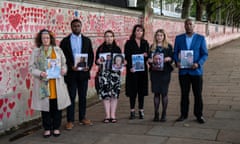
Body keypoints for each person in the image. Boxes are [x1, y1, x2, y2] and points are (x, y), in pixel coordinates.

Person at [28, 29, 71, 138]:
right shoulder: (36, 52)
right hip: (43, 84)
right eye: (43, 38)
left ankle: (56, 127)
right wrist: (40, 73)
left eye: (47, 38)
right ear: (40, 39)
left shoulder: (57, 50)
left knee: (56, 106)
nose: (45, 40)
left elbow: (64, 64)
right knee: (45, 108)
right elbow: (31, 68)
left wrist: (64, 70)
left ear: (51, 39)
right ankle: (47, 128)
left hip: (56, 83)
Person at [60, 19, 94, 130]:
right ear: (71, 27)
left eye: (78, 26)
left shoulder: (87, 40)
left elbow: (91, 55)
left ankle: (82, 117)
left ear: (81, 26)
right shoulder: (65, 41)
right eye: (74, 26)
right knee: (71, 97)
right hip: (71, 74)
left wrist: (88, 66)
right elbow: (62, 57)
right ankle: (70, 120)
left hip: (83, 74)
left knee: (83, 96)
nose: (76, 28)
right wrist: (70, 66)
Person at [173, 18, 208, 124]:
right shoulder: (179, 38)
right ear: (184, 26)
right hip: (183, 72)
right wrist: (177, 62)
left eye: (190, 24)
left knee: (197, 94)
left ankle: (199, 115)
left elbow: (205, 54)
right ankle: (183, 114)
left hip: (196, 71)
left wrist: (198, 64)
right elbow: (175, 53)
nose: (188, 26)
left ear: (194, 26)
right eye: (187, 24)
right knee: (184, 94)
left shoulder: (200, 38)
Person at [95, 30, 122, 123]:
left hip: (115, 74)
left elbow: (120, 61)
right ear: (104, 38)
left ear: (113, 37)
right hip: (104, 74)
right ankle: (107, 115)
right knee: (105, 95)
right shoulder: (100, 49)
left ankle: (113, 115)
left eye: (111, 36)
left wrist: (123, 63)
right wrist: (98, 61)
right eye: (107, 36)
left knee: (114, 95)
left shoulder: (117, 49)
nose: (109, 38)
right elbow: (96, 61)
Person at [124, 24, 149, 119]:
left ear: (143, 32)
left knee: (141, 91)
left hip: (142, 71)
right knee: (132, 91)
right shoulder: (129, 43)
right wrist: (130, 67)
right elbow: (127, 56)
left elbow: (148, 55)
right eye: (137, 30)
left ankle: (141, 110)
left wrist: (146, 55)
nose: (139, 32)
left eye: (141, 31)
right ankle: (132, 111)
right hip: (132, 70)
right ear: (134, 32)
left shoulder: (145, 43)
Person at [148, 29, 173, 122]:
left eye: (161, 35)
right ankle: (156, 113)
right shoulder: (152, 47)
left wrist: (168, 58)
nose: (159, 37)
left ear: (164, 36)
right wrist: (149, 61)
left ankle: (164, 113)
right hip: (155, 73)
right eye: (157, 35)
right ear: (155, 37)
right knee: (156, 93)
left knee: (164, 93)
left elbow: (172, 58)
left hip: (165, 72)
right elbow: (149, 59)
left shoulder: (168, 47)